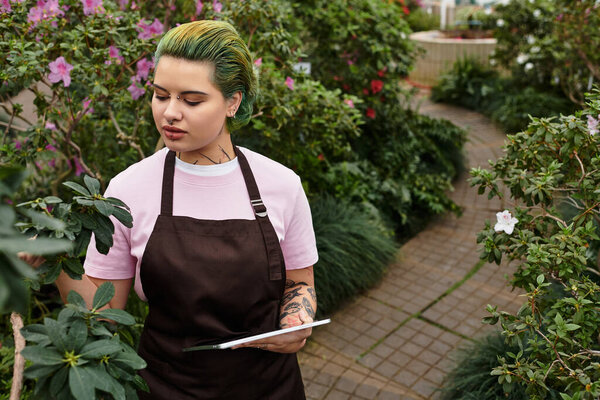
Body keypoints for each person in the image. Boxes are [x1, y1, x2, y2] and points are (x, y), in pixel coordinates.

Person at [53, 20, 319, 399]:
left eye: (191, 100)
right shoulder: (129, 188)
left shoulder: (281, 185)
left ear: (233, 102)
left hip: (269, 388)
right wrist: (56, 259)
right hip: (165, 388)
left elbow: (299, 280)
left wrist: (297, 321)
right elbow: (105, 312)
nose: (170, 113)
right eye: (161, 95)